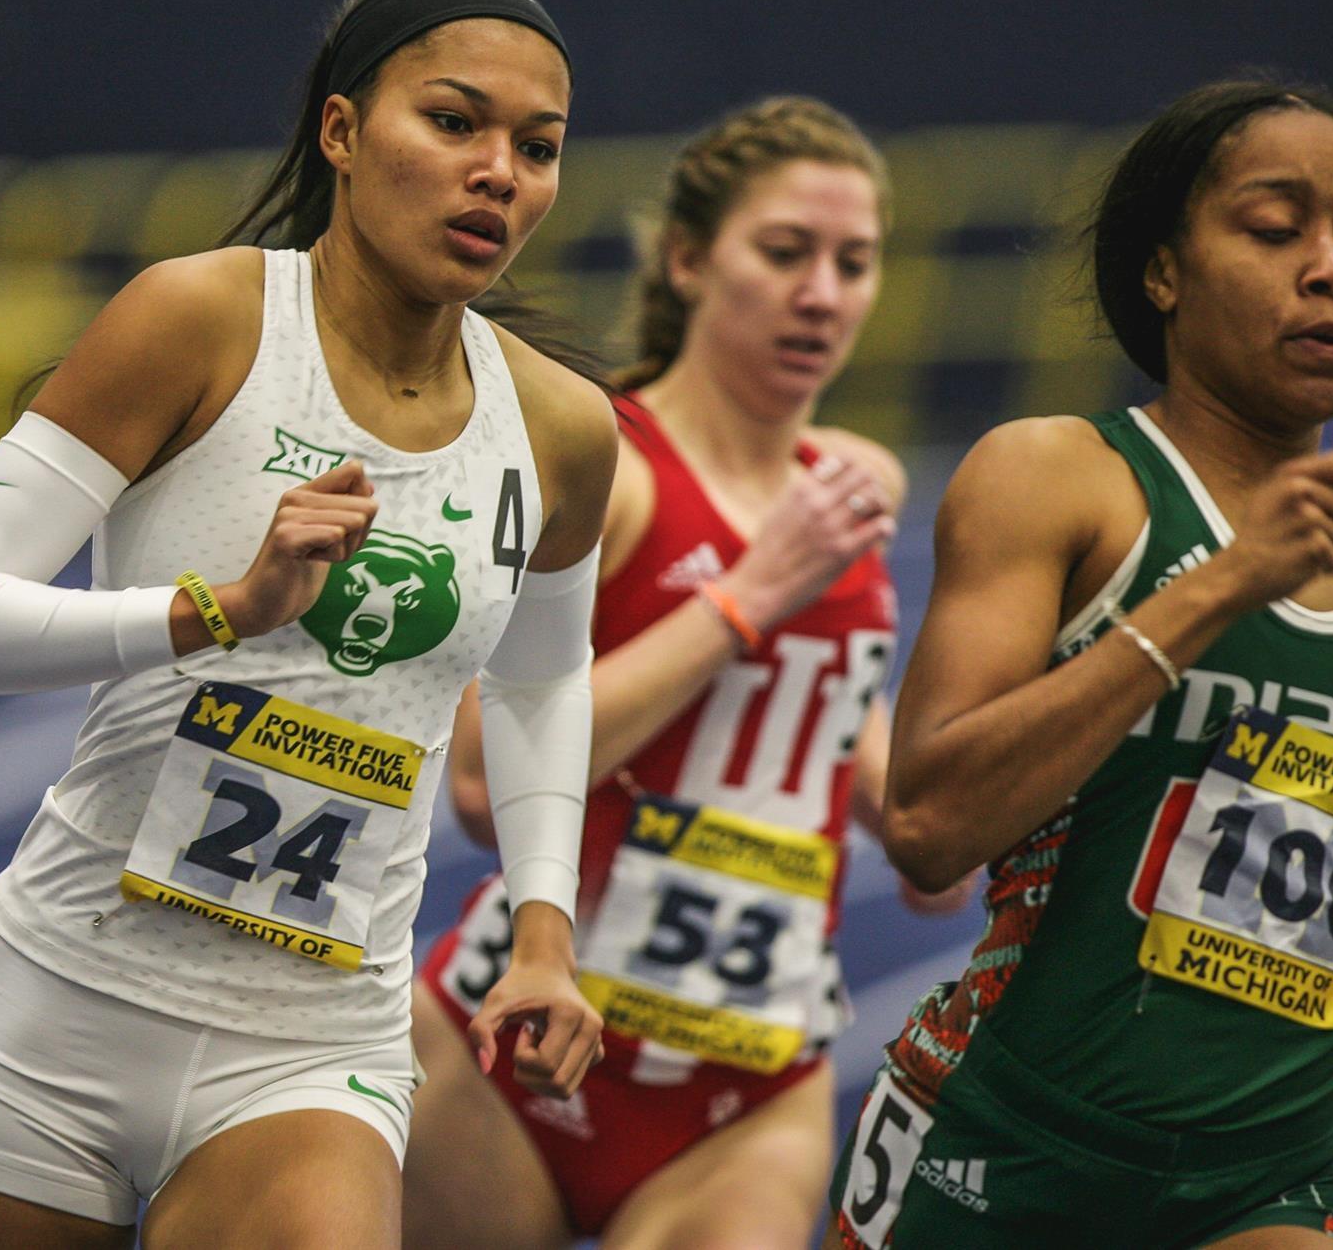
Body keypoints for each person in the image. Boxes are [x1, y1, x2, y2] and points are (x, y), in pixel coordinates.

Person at [0, 0, 615, 1249]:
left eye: (536, 147)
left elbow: (544, 682)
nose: (498, 172)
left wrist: (544, 933)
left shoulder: (561, 428)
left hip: (313, 1045)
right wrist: (218, 609)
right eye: (454, 122)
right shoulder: (199, 319)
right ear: (342, 131)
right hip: (63, 999)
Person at [827, 79, 1333, 1249]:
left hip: (1275, 1170)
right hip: (1008, 1140)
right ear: (1161, 271)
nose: (1331, 270)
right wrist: (1215, 588)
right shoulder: (1057, 478)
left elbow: (1302, 799)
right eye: (1274, 229)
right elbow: (927, 823)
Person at [404, 96, 970, 1250]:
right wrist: (747, 596)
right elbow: (473, 779)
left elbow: (834, 727)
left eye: (852, 262)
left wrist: (931, 829)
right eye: (784, 251)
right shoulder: (604, 466)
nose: (821, 294)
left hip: (747, 1085)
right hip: (509, 1043)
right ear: (686, 258)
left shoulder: (852, 484)